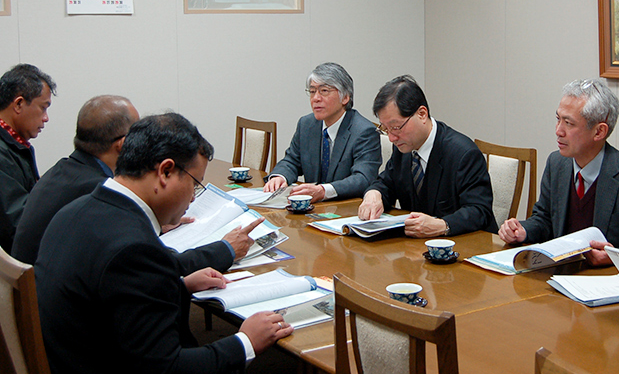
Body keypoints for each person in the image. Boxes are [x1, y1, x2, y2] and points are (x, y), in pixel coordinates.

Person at [36, 113, 292, 374]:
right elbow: (167, 368)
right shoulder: (135, 250)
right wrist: (246, 342)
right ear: (165, 171)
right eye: (195, 184)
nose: (193, 197)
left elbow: (111, 294)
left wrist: (176, 284)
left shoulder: (73, 211)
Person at [12, 95, 256, 270]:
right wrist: (223, 250)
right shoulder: (97, 193)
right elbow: (147, 262)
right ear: (124, 144)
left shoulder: (67, 170)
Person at [498, 78, 619, 265]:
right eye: (558, 119)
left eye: (568, 123)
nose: (558, 131)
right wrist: (523, 231)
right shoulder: (557, 163)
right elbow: (545, 218)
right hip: (558, 277)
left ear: (599, 132)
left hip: (607, 283)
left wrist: (614, 256)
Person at [358, 75, 494, 237]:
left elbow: (479, 211)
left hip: (466, 247)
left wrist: (443, 225)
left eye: (396, 127)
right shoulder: (404, 149)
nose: (392, 138)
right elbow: (386, 183)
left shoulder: (464, 153)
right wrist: (374, 194)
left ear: (422, 114)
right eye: (386, 129)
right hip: (418, 247)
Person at [263, 62, 381, 203]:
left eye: (324, 91)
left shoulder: (364, 131)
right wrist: (280, 177)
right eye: (312, 91)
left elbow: (363, 179)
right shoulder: (306, 124)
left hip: (345, 209)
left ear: (345, 97)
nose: (316, 98)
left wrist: (324, 191)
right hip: (312, 210)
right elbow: (292, 160)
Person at [0, 63, 56, 252]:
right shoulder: (1, 152)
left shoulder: (13, 144)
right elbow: (18, 223)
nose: (46, 118)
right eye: (43, 108)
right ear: (18, 104)